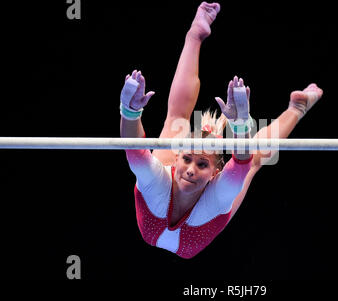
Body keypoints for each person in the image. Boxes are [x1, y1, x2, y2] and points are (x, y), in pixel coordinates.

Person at [119, 2, 323, 259]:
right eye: (187, 159)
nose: (191, 169)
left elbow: (238, 163)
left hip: (185, 236)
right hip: (182, 227)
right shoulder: (160, 178)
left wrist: (130, 113)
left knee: (249, 158)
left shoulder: (216, 194)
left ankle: (297, 107)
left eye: (202, 164)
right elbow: (134, 150)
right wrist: (129, 111)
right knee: (178, 124)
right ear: (177, 159)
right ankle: (195, 34)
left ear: (215, 173)